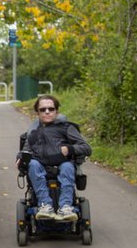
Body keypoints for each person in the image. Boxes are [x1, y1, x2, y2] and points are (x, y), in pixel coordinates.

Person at [17, 94, 91, 222]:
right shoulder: (33, 131)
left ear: (56, 111)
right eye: (43, 109)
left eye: (51, 109)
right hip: (40, 167)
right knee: (33, 164)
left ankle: (66, 207)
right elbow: (25, 150)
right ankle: (45, 206)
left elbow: (86, 148)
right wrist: (19, 158)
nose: (47, 112)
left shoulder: (67, 128)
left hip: (62, 165)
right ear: (38, 112)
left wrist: (70, 149)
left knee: (68, 166)